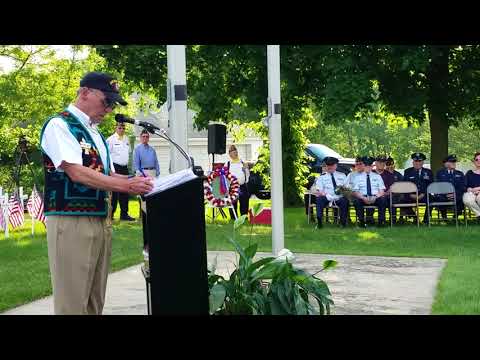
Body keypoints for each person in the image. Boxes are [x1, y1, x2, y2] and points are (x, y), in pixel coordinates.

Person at [40, 71, 153, 315]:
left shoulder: (95, 133)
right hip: (71, 221)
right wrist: (127, 186)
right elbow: (76, 172)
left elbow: (109, 174)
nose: (110, 109)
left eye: (113, 104)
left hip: (101, 220)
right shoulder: (60, 125)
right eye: (107, 101)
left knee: (94, 301)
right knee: (72, 302)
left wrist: (137, 181)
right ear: (84, 93)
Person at [106, 121, 134, 221]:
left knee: (125, 191)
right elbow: (106, 155)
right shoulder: (110, 140)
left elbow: (129, 153)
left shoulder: (127, 139)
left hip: (124, 168)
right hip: (115, 168)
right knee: (114, 191)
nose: (121, 129)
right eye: (119, 127)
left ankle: (124, 214)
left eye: (123, 128)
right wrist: (109, 170)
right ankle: (111, 214)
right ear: (115, 128)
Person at [311, 157, 349, 228]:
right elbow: (319, 189)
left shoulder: (342, 175)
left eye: (331, 165)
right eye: (328, 165)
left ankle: (342, 223)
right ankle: (319, 221)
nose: (329, 167)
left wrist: (343, 191)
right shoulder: (322, 177)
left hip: (339, 197)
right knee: (319, 199)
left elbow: (346, 188)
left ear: (336, 166)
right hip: (327, 196)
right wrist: (324, 194)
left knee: (345, 201)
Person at [351, 156, 387, 227]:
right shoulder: (357, 177)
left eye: (369, 166)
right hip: (363, 197)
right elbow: (355, 191)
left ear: (372, 166)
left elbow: (382, 191)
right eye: (366, 166)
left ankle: (381, 222)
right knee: (357, 201)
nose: (368, 167)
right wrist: (363, 198)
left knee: (383, 200)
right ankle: (361, 222)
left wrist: (375, 197)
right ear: (363, 166)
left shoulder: (377, 176)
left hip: (375, 197)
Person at [403, 152, 434, 223]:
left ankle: (426, 220)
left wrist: (423, 193)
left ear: (422, 162)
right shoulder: (407, 171)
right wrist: (411, 194)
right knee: (401, 200)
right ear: (413, 162)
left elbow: (431, 185)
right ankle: (415, 218)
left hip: (424, 195)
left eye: (419, 161)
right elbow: (405, 185)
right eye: (415, 161)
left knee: (432, 199)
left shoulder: (428, 172)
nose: (417, 163)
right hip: (411, 195)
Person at [435, 154, 465, 220]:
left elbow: (463, 187)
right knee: (439, 198)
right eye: (452, 162)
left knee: (461, 198)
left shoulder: (460, 173)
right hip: (443, 195)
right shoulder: (440, 173)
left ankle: (455, 218)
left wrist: (455, 193)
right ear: (446, 163)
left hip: (456, 195)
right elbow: (438, 186)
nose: (454, 163)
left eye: (454, 162)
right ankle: (444, 217)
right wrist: (446, 194)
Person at [224, 144, 250, 218]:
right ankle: (233, 219)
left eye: (235, 151)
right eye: (232, 152)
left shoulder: (243, 162)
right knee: (233, 204)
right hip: (232, 187)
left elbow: (247, 175)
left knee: (244, 203)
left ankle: (244, 218)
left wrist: (245, 179)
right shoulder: (227, 164)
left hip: (242, 186)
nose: (234, 153)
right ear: (229, 154)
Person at [374, 155, 397, 222]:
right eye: (379, 162)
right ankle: (369, 219)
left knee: (389, 198)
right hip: (373, 195)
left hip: (386, 195)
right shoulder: (371, 173)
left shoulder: (389, 174)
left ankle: (390, 220)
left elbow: (392, 187)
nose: (382, 164)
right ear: (375, 163)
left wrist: (385, 193)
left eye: (383, 162)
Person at [463, 152, 480, 221]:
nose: (479, 161)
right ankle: (479, 214)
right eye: (477, 159)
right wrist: (469, 189)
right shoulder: (469, 173)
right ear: (474, 161)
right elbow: (464, 185)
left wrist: (478, 189)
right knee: (467, 200)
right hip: (471, 192)